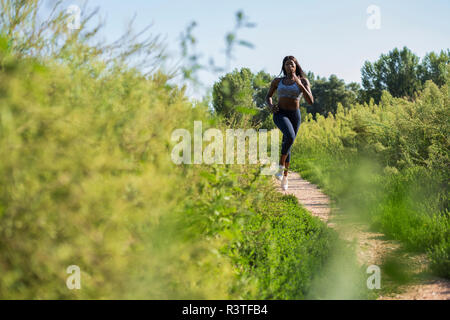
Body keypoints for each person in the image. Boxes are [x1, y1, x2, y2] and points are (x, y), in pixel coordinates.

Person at [265, 56, 314, 191]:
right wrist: (270, 106)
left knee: (288, 142)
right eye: (287, 64)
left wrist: (300, 84)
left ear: (296, 66)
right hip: (280, 113)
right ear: (283, 66)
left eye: (292, 64)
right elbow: (268, 96)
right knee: (290, 137)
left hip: (294, 115)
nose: (289, 66)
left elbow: (310, 101)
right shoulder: (277, 81)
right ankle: (280, 167)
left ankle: (285, 177)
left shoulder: (303, 80)